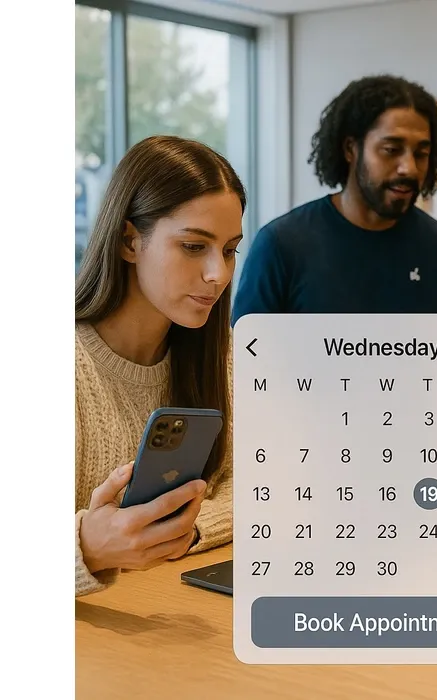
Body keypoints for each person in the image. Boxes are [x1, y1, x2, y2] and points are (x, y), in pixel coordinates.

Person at [74, 135, 245, 596]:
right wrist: (84, 549)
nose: (219, 274)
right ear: (131, 241)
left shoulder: (220, 356)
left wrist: (178, 533)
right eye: (194, 247)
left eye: (229, 249)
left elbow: (263, 488)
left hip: (171, 628)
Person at [232, 74, 437, 323]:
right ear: (350, 149)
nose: (409, 168)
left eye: (421, 153)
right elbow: (247, 355)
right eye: (391, 150)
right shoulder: (281, 244)